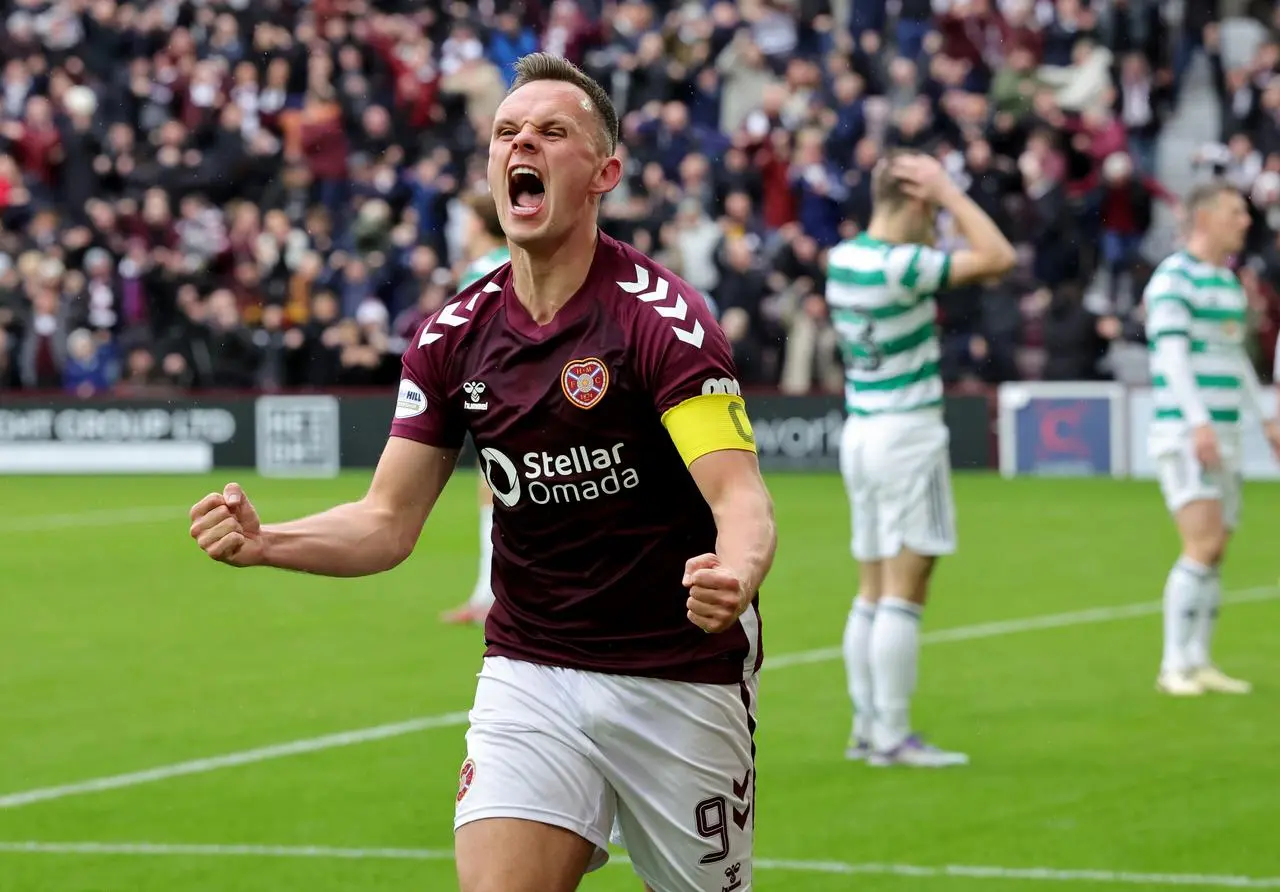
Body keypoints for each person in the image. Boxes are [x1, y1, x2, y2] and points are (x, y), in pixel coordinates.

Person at [188, 52, 776, 892]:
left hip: (676, 674)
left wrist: (739, 571)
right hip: (531, 670)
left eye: (550, 131)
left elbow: (741, 497)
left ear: (603, 172)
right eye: (506, 132)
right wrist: (265, 540)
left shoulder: (662, 322)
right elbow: (386, 522)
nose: (520, 142)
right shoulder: (450, 336)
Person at [827, 149, 1016, 768]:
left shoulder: (845, 257)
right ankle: (892, 736)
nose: (938, 223)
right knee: (907, 588)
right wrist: (953, 193)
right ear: (912, 200)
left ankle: (865, 725)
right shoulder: (900, 265)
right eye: (931, 210)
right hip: (907, 434)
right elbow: (999, 257)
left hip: (861, 430)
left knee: (872, 585)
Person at [1143, 181, 1280, 697]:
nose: (1245, 221)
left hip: (1224, 429)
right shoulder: (1172, 280)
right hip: (1185, 431)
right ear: (1203, 219)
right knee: (1201, 543)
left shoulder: (1225, 283)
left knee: (1217, 546)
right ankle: (1173, 665)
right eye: (1233, 212)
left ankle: (1199, 659)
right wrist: (1197, 421)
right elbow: (1171, 357)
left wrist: (1264, 417)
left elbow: (1233, 358)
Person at [440, 190, 512, 626]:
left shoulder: (479, 273)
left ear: (478, 225)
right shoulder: (519, 259)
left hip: (499, 394)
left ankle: (489, 595)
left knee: (494, 489)